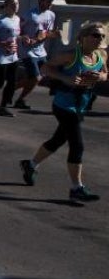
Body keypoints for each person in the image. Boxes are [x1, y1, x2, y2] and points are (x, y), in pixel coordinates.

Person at [20, 21, 107, 203]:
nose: (100, 39)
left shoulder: (101, 56)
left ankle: (31, 164)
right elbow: (45, 68)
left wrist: (101, 76)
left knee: (58, 139)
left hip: (81, 105)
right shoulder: (70, 55)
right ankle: (77, 188)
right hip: (63, 105)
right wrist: (65, 78)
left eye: (102, 36)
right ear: (83, 38)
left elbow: (107, 73)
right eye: (96, 35)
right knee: (77, 145)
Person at [12, 0, 57, 110]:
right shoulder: (29, 14)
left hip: (41, 50)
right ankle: (20, 98)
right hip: (27, 50)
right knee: (36, 78)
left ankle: (12, 90)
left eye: (51, 2)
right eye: (48, 1)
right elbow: (16, 30)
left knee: (39, 76)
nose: (50, 4)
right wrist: (24, 37)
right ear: (40, 1)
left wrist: (50, 35)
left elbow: (47, 32)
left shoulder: (51, 15)